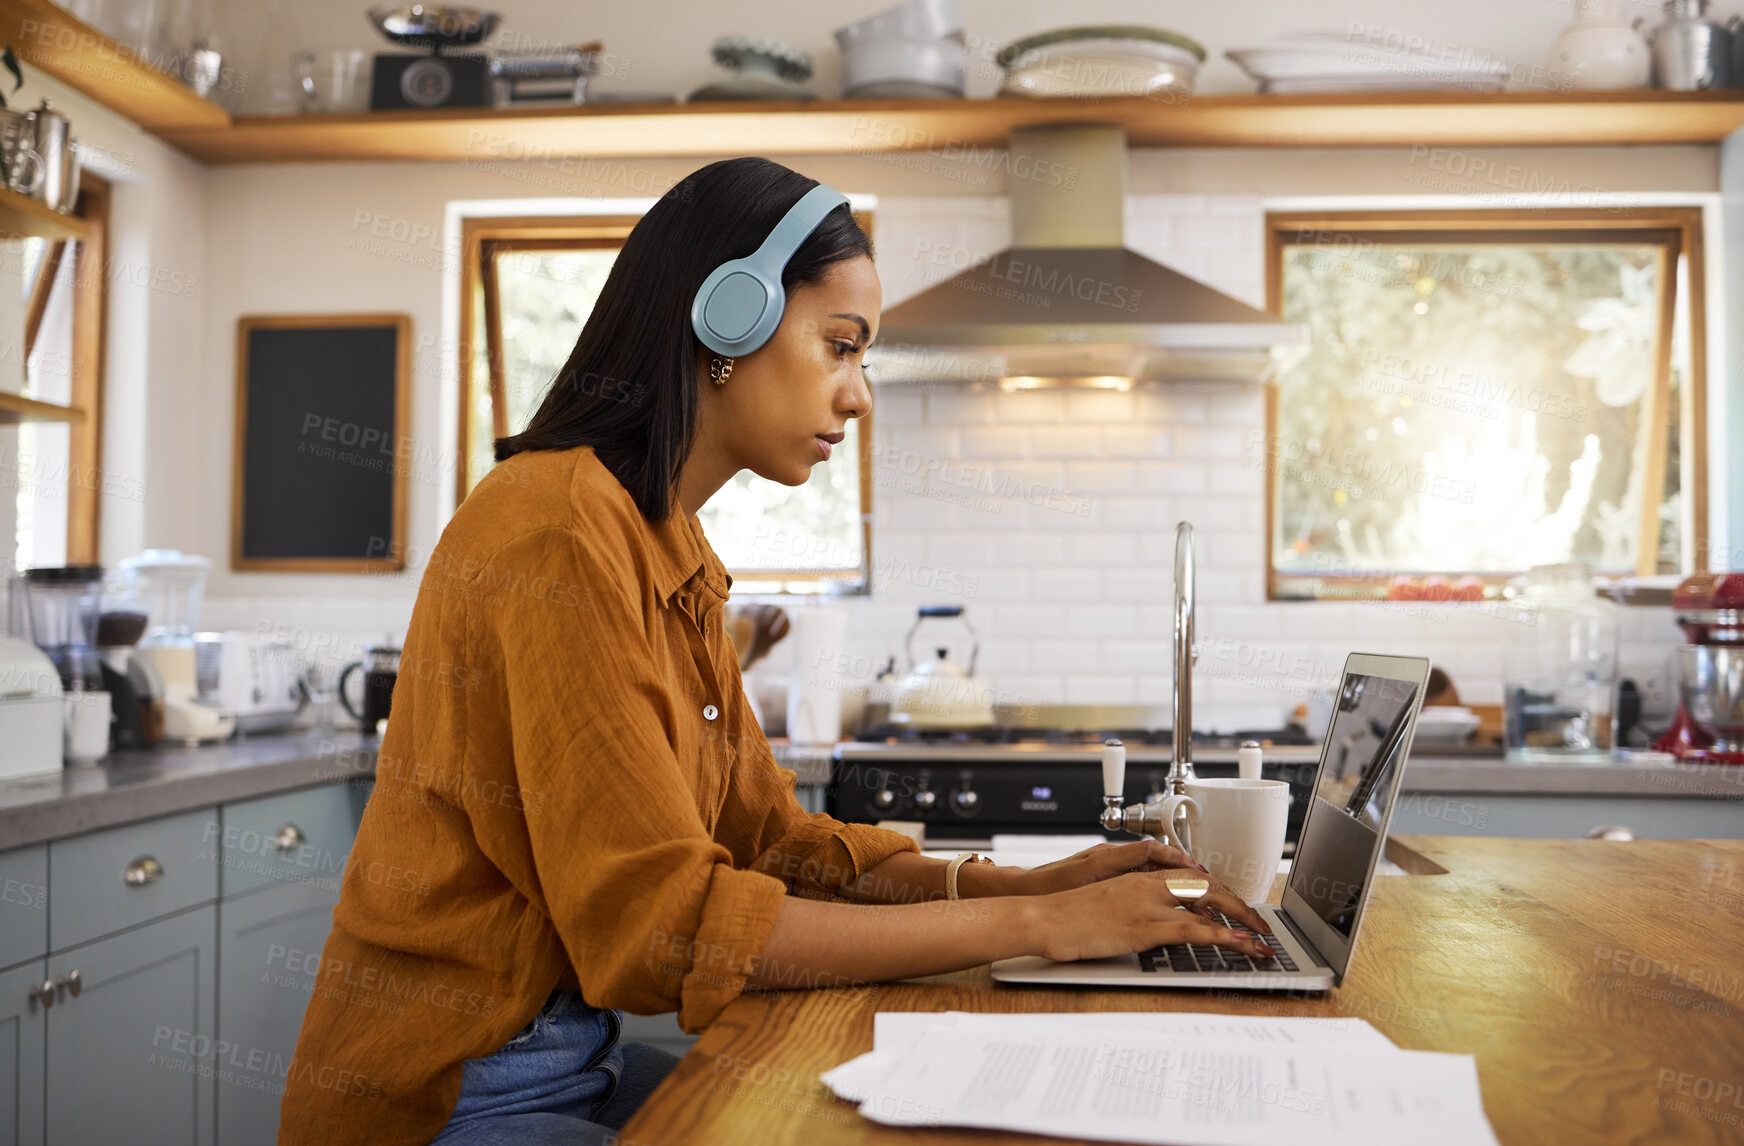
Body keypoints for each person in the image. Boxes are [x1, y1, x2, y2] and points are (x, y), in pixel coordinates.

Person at [276, 156, 1275, 1146]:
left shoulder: (667, 544)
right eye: (839, 346)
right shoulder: (556, 527)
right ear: (730, 316)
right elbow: (663, 926)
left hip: (572, 1061)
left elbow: (770, 843)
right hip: (450, 1094)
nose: (858, 395)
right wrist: (1042, 931)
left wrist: (1017, 886)